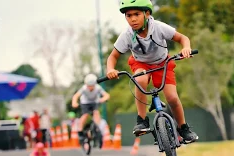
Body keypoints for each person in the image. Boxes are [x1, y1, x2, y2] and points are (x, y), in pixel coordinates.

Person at [105, 0, 198, 144]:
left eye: (136, 14)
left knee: (172, 98)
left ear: (147, 13)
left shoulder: (159, 27)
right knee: (140, 79)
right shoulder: (127, 35)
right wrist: (110, 69)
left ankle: (183, 128)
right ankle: (142, 120)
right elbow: (113, 56)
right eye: (129, 15)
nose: (133, 19)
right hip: (141, 64)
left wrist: (186, 48)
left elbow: (182, 38)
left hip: (162, 63)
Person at [71, 73, 110, 144]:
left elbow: (106, 95)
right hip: (85, 102)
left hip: (95, 101)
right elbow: (76, 96)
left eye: (92, 86)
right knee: (85, 115)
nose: (90, 88)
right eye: (89, 86)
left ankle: (98, 129)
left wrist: (103, 98)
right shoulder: (84, 88)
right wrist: (74, 103)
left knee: (96, 113)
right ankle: (80, 131)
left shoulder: (98, 88)